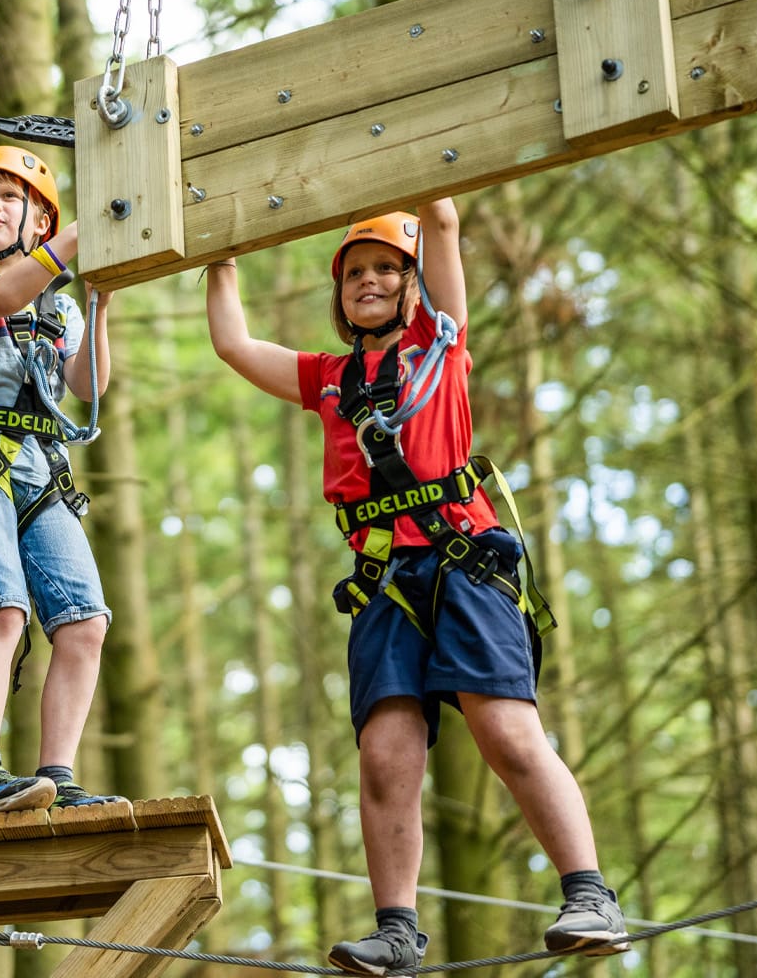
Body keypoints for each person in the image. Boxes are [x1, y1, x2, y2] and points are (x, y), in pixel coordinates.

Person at [205, 201, 628, 973]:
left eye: (385, 271)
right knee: (384, 756)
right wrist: (219, 250)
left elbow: (442, 220)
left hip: (462, 560)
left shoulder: (441, 342)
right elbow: (233, 342)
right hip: (384, 582)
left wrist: (425, 184)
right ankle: (397, 931)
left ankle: (590, 893)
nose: (367, 282)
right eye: (354, 273)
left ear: (413, 286)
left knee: (505, 731)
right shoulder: (326, 379)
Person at [0, 146, 120, 813]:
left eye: (10, 198)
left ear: (37, 220)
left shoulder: (57, 310)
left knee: (84, 622)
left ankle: (57, 776)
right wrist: (74, 243)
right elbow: (4, 295)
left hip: (40, 463)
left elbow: (87, 385)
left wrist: (100, 305)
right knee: (2, 606)